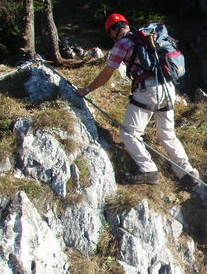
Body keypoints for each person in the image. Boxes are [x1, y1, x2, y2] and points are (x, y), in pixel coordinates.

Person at [76, 13, 198, 190]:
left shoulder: (122, 44)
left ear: (113, 31)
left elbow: (107, 73)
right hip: (169, 88)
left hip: (148, 90)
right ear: (126, 25)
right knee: (167, 133)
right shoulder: (148, 39)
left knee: (129, 133)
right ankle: (186, 172)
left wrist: (86, 90)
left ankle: (148, 169)